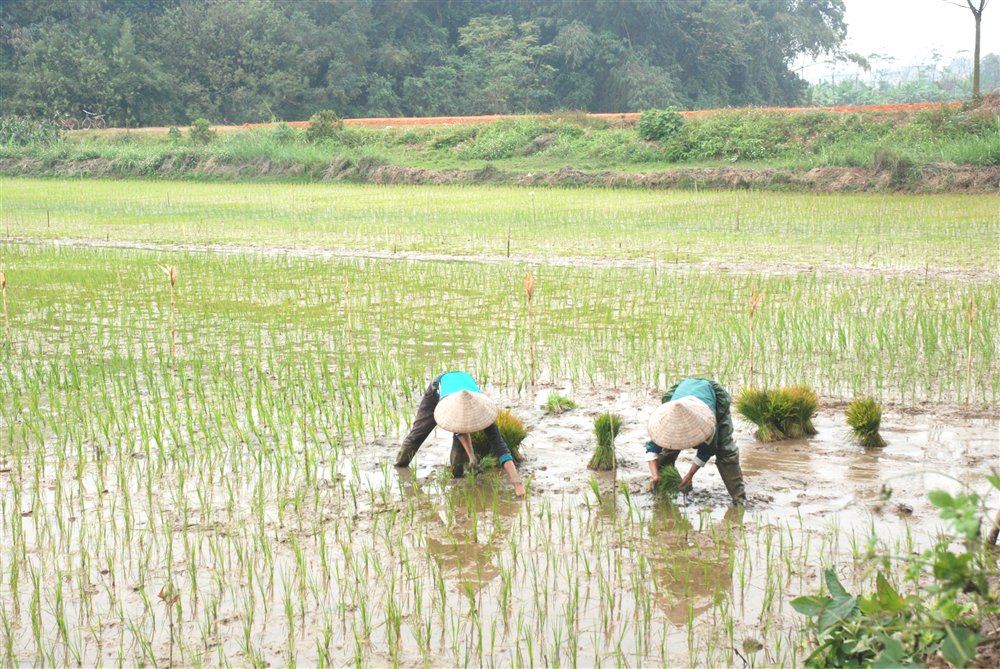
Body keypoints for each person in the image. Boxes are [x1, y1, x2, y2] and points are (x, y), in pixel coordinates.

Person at [394, 371, 526, 497]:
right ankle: (400, 465)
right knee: (418, 434)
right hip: (438, 390)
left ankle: (456, 475)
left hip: (464, 384)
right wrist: (472, 456)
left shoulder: (483, 410)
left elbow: (500, 447)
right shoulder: (449, 406)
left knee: (459, 448)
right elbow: (458, 430)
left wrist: (517, 483)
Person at [645, 378, 746, 505]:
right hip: (681, 392)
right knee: (668, 446)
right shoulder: (664, 423)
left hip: (711, 396)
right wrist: (655, 475)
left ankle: (739, 499)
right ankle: (661, 490)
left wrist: (689, 475)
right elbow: (652, 449)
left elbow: (706, 451)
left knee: (725, 451)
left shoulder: (707, 423)